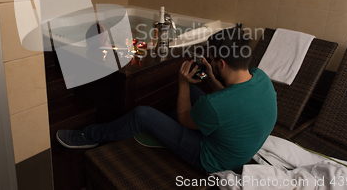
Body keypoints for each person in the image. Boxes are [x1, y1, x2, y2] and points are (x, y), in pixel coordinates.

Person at [56, 30, 277, 173]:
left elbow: (184, 118)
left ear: (221, 63)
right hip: (238, 146)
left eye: (210, 59)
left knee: (142, 114)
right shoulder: (260, 77)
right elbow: (229, 98)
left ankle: (89, 135)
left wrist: (182, 82)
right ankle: (166, 131)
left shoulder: (216, 105)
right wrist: (210, 76)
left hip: (211, 160)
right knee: (198, 101)